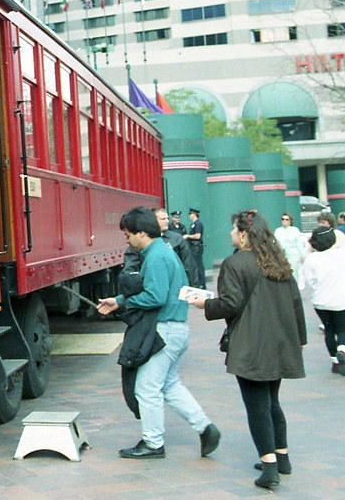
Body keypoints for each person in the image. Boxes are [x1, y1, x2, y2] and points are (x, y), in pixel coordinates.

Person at [187, 210, 306, 490]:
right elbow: (296, 303)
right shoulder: (278, 262)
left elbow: (230, 304)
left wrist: (205, 305)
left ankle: (269, 468)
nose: (230, 234)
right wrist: (297, 340)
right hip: (279, 342)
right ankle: (282, 457)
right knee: (272, 401)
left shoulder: (234, 263)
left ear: (243, 233)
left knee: (257, 407)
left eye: (233, 230)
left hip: (252, 345)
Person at [96, 206, 220, 460]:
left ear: (142, 233)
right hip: (176, 328)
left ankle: (153, 443)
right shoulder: (163, 252)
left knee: (146, 388)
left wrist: (123, 302)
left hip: (163, 330)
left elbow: (155, 295)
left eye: (128, 235)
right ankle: (205, 428)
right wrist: (119, 300)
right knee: (169, 385)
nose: (127, 240)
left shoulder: (154, 257)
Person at [298, 226, 345, 375]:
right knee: (342, 328)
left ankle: (335, 362)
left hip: (321, 301)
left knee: (329, 330)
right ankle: (342, 348)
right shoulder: (342, 254)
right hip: (341, 299)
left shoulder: (311, 259)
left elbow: (309, 282)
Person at [155, 208, 199, 288]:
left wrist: (193, 288)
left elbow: (189, 265)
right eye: (163, 219)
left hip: (175, 284)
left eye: (167, 218)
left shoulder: (177, 239)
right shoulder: (145, 239)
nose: (167, 221)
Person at [274, 212, 306, 283]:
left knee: (293, 272)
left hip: (293, 255)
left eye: (287, 219)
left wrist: (302, 255)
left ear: (290, 221)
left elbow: (299, 244)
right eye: (283, 219)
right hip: (281, 255)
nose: (284, 221)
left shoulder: (295, 230)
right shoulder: (278, 231)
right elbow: (275, 244)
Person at [185, 208, 207, 288]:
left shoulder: (198, 224)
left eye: (190, 214)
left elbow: (198, 236)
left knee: (198, 265)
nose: (189, 216)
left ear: (193, 214)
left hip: (196, 246)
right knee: (195, 264)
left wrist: (188, 236)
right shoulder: (193, 224)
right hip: (193, 246)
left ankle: (202, 283)